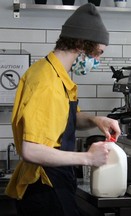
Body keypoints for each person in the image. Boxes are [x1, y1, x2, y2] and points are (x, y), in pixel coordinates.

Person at [5, 3, 121, 216]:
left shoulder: (56, 75)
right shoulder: (46, 82)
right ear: (82, 45)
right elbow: (31, 150)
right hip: (44, 185)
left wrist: (96, 120)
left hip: (54, 180)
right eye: (98, 53)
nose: (97, 61)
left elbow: (66, 118)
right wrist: (87, 158)